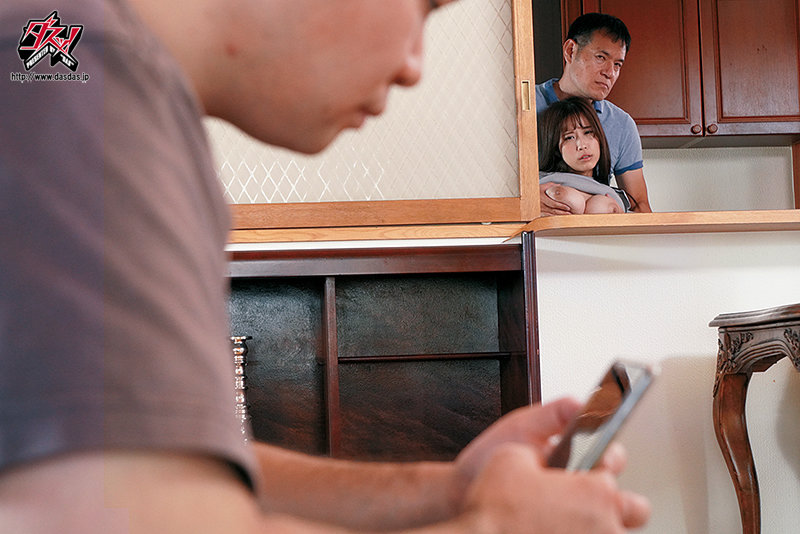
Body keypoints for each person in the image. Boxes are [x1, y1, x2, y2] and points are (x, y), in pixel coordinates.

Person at [0, 1, 651, 533]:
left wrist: (454, 491)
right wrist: (496, 528)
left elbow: (166, 466)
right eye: (424, 9)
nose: (414, 67)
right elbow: (125, 515)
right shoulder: (67, 82)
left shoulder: (97, 70)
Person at [536, 12, 652, 215]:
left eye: (617, 64)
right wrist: (524, 203)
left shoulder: (621, 124)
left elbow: (639, 206)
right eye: (601, 58)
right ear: (570, 51)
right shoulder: (524, 106)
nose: (610, 73)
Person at [538, 97, 627, 215]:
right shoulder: (538, 186)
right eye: (569, 137)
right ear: (556, 149)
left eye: (588, 132)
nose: (582, 145)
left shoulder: (611, 194)